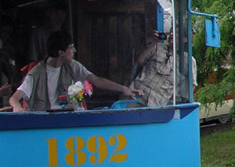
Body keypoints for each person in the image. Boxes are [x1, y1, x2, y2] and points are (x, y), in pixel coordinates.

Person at [9, 30, 140, 111]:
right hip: (43, 125)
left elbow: (97, 80)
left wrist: (125, 89)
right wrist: (17, 106)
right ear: (61, 52)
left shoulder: (73, 66)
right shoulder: (36, 73)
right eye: (71, 48)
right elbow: (14, 98)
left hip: (67, 120)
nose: (74, 51)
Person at [131, 30, 198, 106]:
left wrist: (174, 101)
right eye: (171, 32)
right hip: (135, 96)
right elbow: (139, 61)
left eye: (176, 32)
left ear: (185, 39)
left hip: (157, 104)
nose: (172, 34)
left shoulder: (187, 60)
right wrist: (154, 43)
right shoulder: (157, 48)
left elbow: (191, 84)